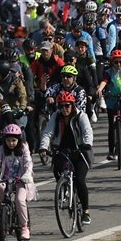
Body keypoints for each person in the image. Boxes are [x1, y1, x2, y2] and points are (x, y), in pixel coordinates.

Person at [38, 91, 93, 225]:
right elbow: (48, 132)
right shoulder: (56, 116)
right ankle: (65, 189)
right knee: (57, 171)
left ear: (72, 105)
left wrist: (87, 144)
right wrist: (43, 147)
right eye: (61, 106)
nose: (64, 109)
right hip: (62, 150)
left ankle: (85, 211)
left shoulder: (81, 115)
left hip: (80, 151)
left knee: (79, 180)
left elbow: (87, 131)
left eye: (67, 106)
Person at [0, 124, 35, 241]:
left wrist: (27, 174)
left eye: (14, 140)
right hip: (6, 179)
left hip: (21, 180)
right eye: (8, 140)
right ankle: (2, 211)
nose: (11, 143)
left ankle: (24, 226)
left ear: (19, 140)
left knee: (20, 200)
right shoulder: (2, 149)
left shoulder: (24, 147)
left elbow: (28, 163)